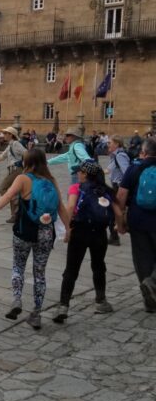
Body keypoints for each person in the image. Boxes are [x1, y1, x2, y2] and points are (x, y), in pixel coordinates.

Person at [0, 148, 69, 330]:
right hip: (46, 233)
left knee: (18, 266)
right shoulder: (51, 181)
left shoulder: (23, 179)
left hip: (25, 231)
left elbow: (7, 196)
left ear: (27, 162)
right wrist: (69, 229)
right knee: (40, 274)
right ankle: (36, 313)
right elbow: (61, 207)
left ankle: (17, 299)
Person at [52, 161, 122, 324]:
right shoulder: (105, 190)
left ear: (85, 174)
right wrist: (119, 226)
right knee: (98, 266)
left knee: (71, 269)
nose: (78, 174)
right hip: (99, 234)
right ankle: (101, 301)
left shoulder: (76, 188)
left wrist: (67, 230)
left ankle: (63, 306)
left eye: (80, 172)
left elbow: (69, 208)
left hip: (79, 232)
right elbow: (118, 212)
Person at [116, 137, 156, 314]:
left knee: (142, 260)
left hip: (138, 220)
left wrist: (120, 222)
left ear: (144, 152)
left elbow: (121, 196)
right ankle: (152, 283)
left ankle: (150, 301)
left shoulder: (134, 168)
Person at [0, 126, 27, 223]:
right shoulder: (10, 145)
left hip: (16, 170)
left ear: (11, 135)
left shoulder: (16, 144)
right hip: (12, 170)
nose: (3, 135)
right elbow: (1, 157)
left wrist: (22, 163)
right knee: (12, 192)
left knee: (2, 188)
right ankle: (15, 215)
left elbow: (27, 153)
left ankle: (17, 203)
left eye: (5, 133)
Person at [105, 135, 130, 246]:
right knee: (112, 211)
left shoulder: (120, 156)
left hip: (118, 187)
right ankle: (114, 235)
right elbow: (109, 169)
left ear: (117, 144)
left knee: (113, 211)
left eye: (110, 142)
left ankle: (115, 236)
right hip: (115, 186)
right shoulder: (115, 156)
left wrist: (121, 187)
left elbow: (127, 173)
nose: (108, 145)